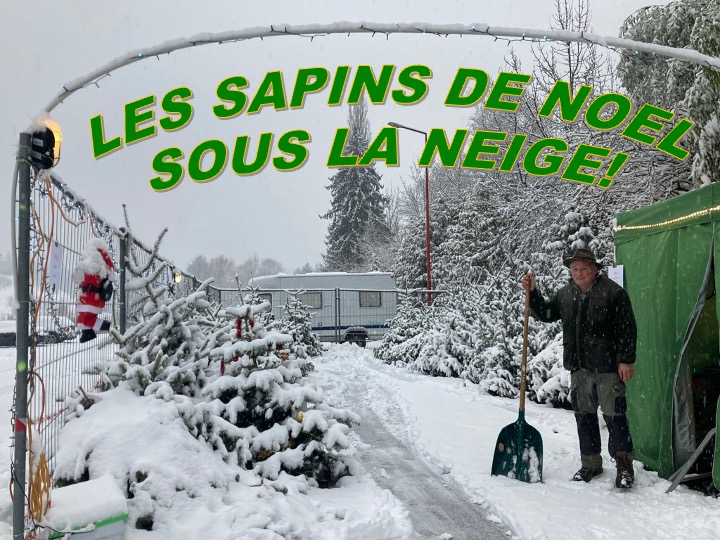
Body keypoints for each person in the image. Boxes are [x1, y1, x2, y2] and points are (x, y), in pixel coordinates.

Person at [521, 248, 637, 489]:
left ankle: (624, 466)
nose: (579, 273)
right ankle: (591, 464)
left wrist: (625, 359)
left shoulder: (614, 293)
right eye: (574, 269)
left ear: (595, 269)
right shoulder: (565, 295)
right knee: (584, 417)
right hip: (579, 368)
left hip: (607, 368)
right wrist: (533, 293)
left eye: (584, 268)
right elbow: (546, 312)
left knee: (615, 416)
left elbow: (627, 327)